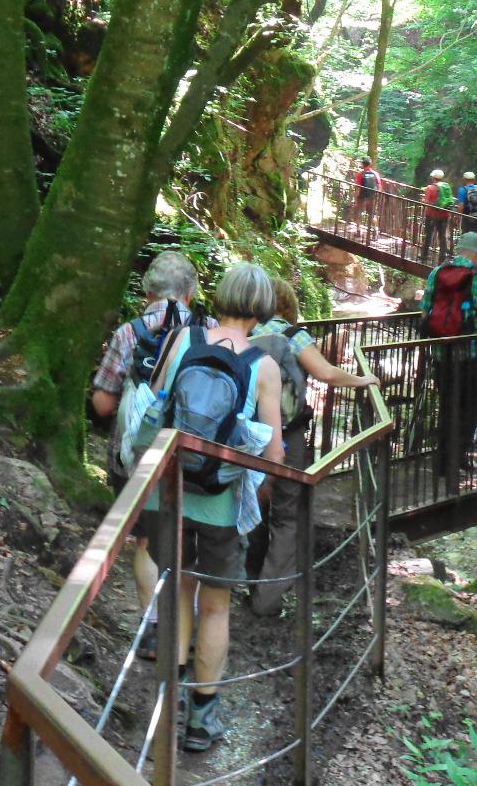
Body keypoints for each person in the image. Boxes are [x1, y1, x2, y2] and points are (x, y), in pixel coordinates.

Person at [163, 262, 284, 753]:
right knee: (215, 607)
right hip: (221, 502)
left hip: (170, 490)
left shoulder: (182, 343)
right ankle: (200, 722)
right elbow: (274, 453)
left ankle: (166, 702)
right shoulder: (264, 365)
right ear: (262, 310)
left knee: (178, 590)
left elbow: (157, 408)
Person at [89, 251, 209, 660]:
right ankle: (188, 630)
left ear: (147, 291)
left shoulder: (129, 332)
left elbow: (104, 406)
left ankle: (155, 629)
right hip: (196, 454)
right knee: (188, 539)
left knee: (145, 541)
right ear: (191, 292)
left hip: (137, 454)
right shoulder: (209, 330)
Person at [247, 278, 380, 617]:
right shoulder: (294, 336)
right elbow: (326, 374)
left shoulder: (245, 331)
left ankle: (250, 582)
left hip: (247, 435)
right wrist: (362, 380)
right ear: (288, 305)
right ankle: (268, 599)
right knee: (288, 513)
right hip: (287, 434)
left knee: (252, 505)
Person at [419, 230, 477, 485]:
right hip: (468, 354)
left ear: (458, 249)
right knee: (470, 406)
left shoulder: (437, 272)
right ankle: (461, 457)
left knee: (447, 406)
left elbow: (425, 312)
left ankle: (442, 461)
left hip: (441, 354)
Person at [421, 168, 452, 261]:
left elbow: (426, 202)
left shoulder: (431, 188)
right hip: (444, 215)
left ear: (433, 177)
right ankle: (442, 258)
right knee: (442, 236)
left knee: (428, 235)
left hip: (432, 215)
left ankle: (424, 256)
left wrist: (423, 201)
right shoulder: (446, 187)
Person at [353, 157, 380, 228]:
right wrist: (377, 195)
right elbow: (379, 186)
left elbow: (358, 187)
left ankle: (358, 231)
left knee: (359, 212)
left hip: (362, 196)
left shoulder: (360, 174)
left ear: (363, 164)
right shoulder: (375, 174)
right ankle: (375, 231)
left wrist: (356, 197)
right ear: (370, 164)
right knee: (372, 214)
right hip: (372, 196)